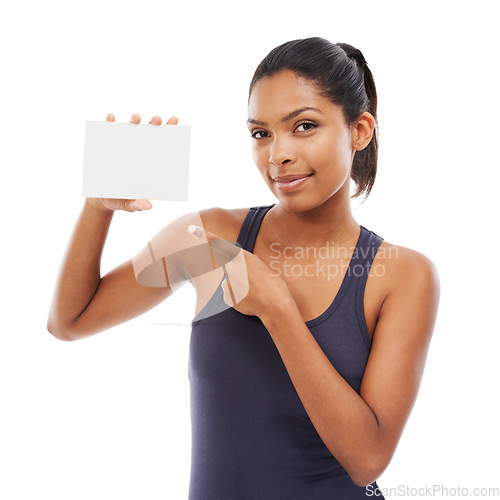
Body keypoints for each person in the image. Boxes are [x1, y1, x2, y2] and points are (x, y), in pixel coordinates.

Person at [47, 37, 440, 499]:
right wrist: (98, 208)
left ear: (359, 130)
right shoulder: (208, 240)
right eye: (261, 133)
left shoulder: (400, 275)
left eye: (304, 126)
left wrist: (277, 309)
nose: (277, 155)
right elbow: (68, 322)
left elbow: (367, 460)